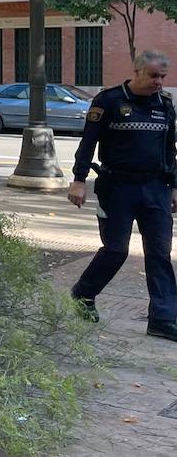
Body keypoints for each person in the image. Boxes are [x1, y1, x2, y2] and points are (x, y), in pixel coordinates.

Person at [68, 49, 177, 342]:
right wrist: (78, 180)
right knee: (116, 249)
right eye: (154, 76)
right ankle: (83, 294)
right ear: (137, 71)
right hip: (116, 187)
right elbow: (88, 143)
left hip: (155, 188)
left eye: (163, 77)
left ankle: (164, 319)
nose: (159, 82)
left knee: (159, 253)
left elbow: (170, 150)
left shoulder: (165, 105)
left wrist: (174, 187)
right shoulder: (108, 101)